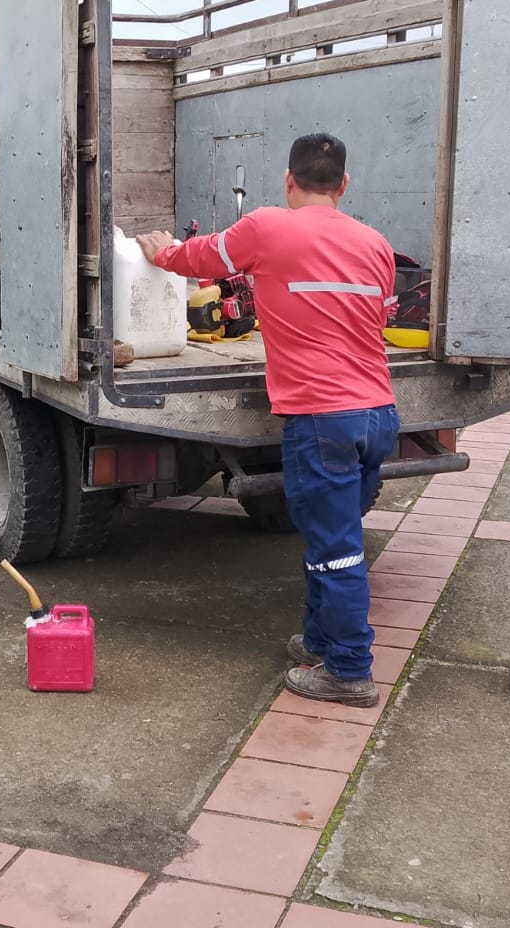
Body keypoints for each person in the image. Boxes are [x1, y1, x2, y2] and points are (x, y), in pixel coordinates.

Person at [136, 133, 399, 707]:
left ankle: (349, 671)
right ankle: (321, 641)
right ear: (344, 184)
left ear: (288, 179)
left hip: (322, 417)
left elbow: (202, 257)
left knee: (337, 549)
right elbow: (380, 316)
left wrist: (161, 252)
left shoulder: (267, 226)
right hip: (378, 413)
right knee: (335, 537)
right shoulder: (376, 243)